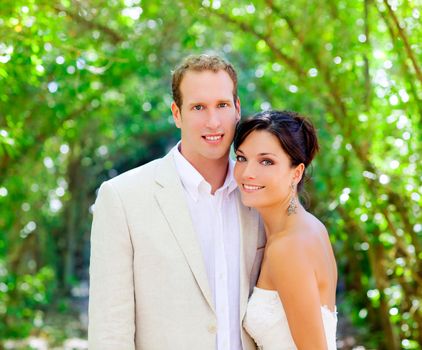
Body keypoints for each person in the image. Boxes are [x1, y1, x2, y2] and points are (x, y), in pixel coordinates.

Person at [88, 54, 265, 350]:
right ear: (177, 113)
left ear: (237, 109)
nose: (213, 121)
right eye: (198, 107)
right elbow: (110, 331)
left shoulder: (261, 194)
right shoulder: (122, 197)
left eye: (222, 105)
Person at [234, 110, 337, 350]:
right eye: (241, 158)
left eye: (266, 161)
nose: (248, 172)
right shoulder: (311, 227)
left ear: (296, 172)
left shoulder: (288, 247)